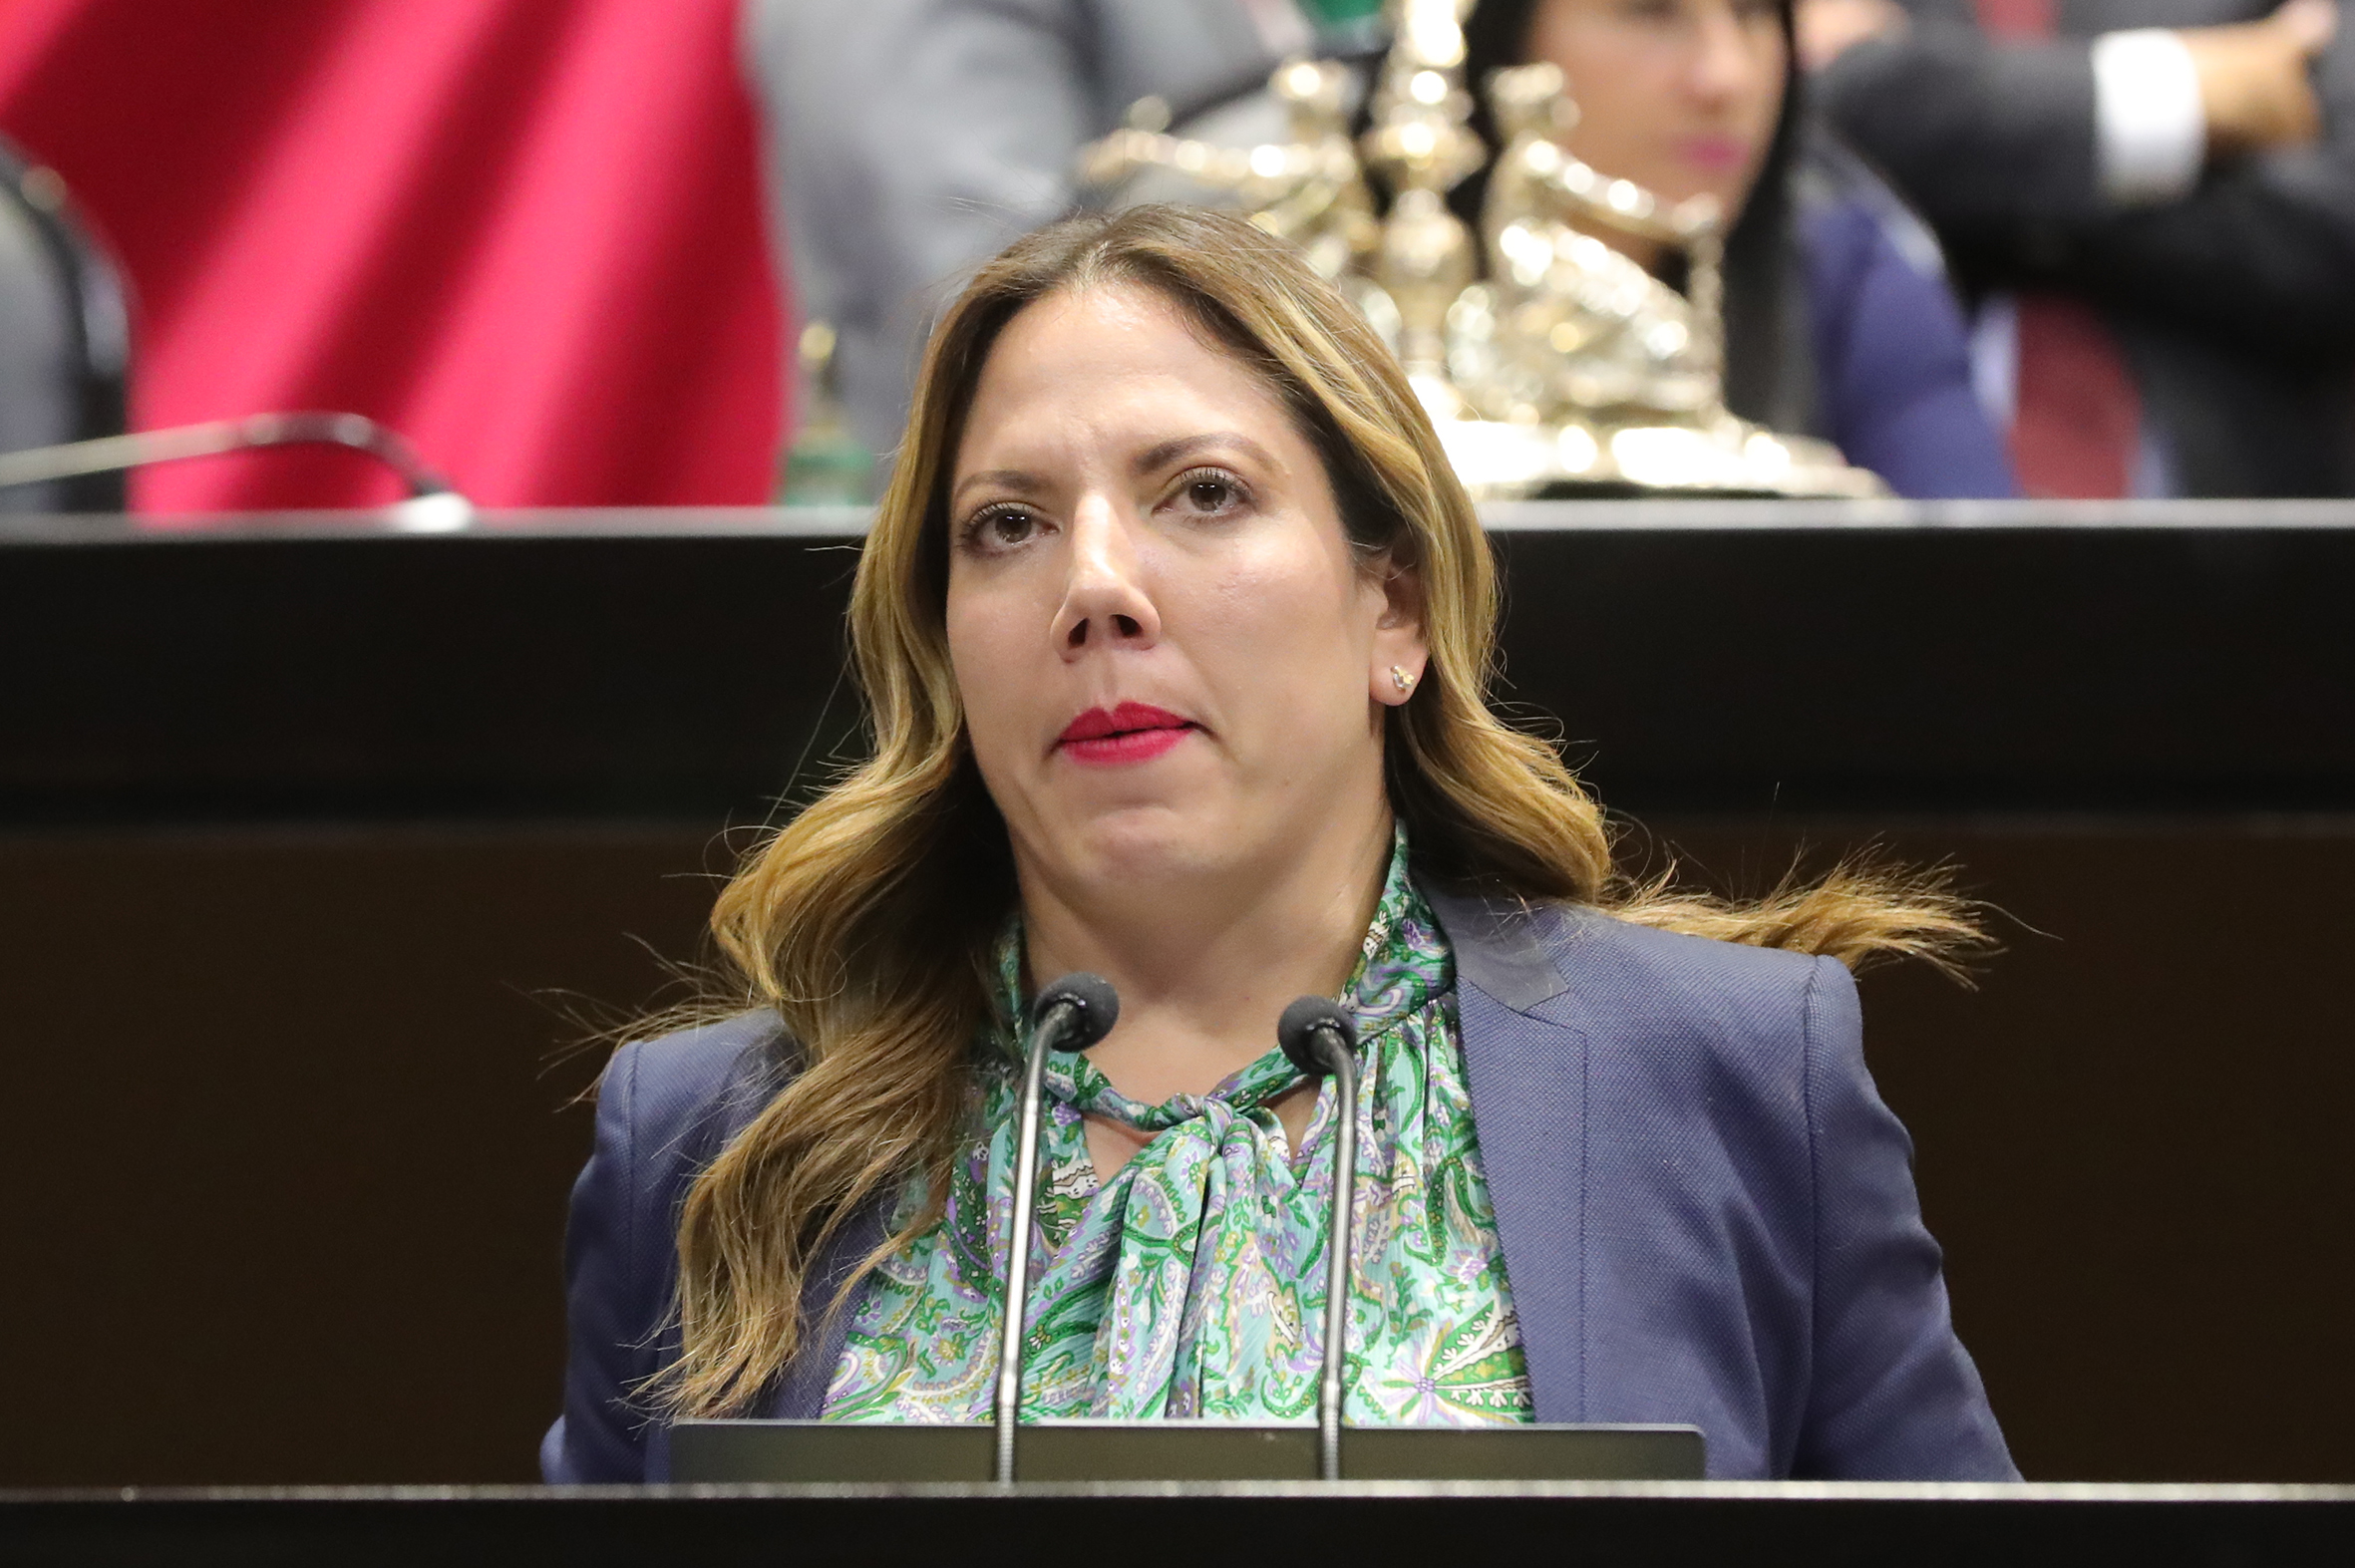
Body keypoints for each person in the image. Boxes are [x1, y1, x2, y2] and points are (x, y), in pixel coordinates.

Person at [542, 203, 2015, 1483]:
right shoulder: (712, 1140)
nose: (1094, 585)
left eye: (1202, 494)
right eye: (1007, 525)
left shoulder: (1727, 1080)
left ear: (1395, 610)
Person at [1459, 0, 2017, 496]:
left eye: (1753, 11)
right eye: (1651, 10)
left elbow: (1976, 558)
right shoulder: (1412, 264)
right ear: (1500, 36)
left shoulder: (1848, 262)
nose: (1727, 76)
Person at [1804, 0, 2355, 496]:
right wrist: (2181, 104)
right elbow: (1830, 111)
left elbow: (2335, 213)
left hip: (2242, 501)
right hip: (1886, 474)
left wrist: (1991, 172)